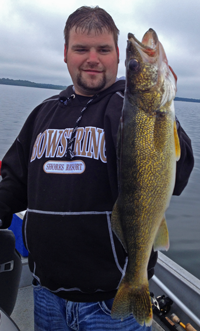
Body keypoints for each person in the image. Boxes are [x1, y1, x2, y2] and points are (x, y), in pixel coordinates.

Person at [0, 6, 194, 331]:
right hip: (46, 294)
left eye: (103, 49)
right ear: (65, 54)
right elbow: (13, 184)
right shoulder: (42, 114)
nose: (93, 58)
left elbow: (178, 172)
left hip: (110, 298)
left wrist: (165, 113)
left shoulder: (127, 109)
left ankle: (136, 287)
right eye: (81, 49)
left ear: (117, 56)